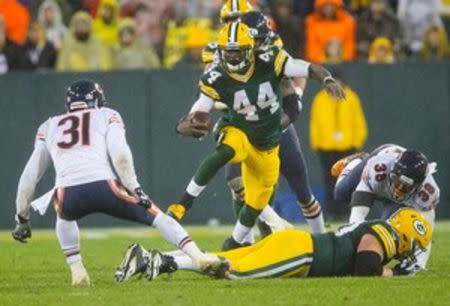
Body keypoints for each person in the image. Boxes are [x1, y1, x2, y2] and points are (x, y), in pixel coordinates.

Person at [11, 80, 222, 286]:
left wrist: (22, 218)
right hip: (105, 186)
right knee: (157, 217)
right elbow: (120, 154)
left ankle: (77, 271)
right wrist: (135, 188)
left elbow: (30, 176)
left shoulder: (48, 126)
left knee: (63, 216)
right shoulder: (107, 114)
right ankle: (197, 256)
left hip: (68, 194)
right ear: (96, 100)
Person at [169, 21, 344, 251]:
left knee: (256, 202)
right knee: (227, 151)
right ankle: (184, 203)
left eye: (236, 52)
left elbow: (306, 68)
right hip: (238, 130)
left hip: (268, 143)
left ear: (250, 49)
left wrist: (327, 79)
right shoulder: (216, 75)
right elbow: (200, 107)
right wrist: (186, 124)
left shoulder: (270, 59)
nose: (231, 58)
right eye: (227, 52)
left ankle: (235, 242)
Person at [115, 208, 432, 281]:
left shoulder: (377, 226)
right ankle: (159, 262)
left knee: (226, 257)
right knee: (234, 271)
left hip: (296, 243)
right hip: (303, 253)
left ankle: (151, 258)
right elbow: (366, 266)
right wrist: (397, 274)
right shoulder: (382, 233)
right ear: (406, 235)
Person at [332, 144, 439, 270]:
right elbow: (359, 210)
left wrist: (419, 263)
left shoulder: (427, 192)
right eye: (396, 181)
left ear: (418, 185)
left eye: (405, 187)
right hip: (381, 158)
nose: (398, 189)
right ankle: (354, 162)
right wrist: (353, 242)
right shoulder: (378, 167)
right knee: (340, 193)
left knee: (386, 237)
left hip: (399, 202)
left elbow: (425, 231)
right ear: (392, 170)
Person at [309, 74, 367, 219]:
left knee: (348, 180)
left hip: (347, 146)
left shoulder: (351, 97)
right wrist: (316, 142)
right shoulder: (320, 98)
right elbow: (315, 121)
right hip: (326, 146)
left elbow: (358, 121)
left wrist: (357, 141)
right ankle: (331, 212)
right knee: (329, 180)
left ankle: (347, 212)